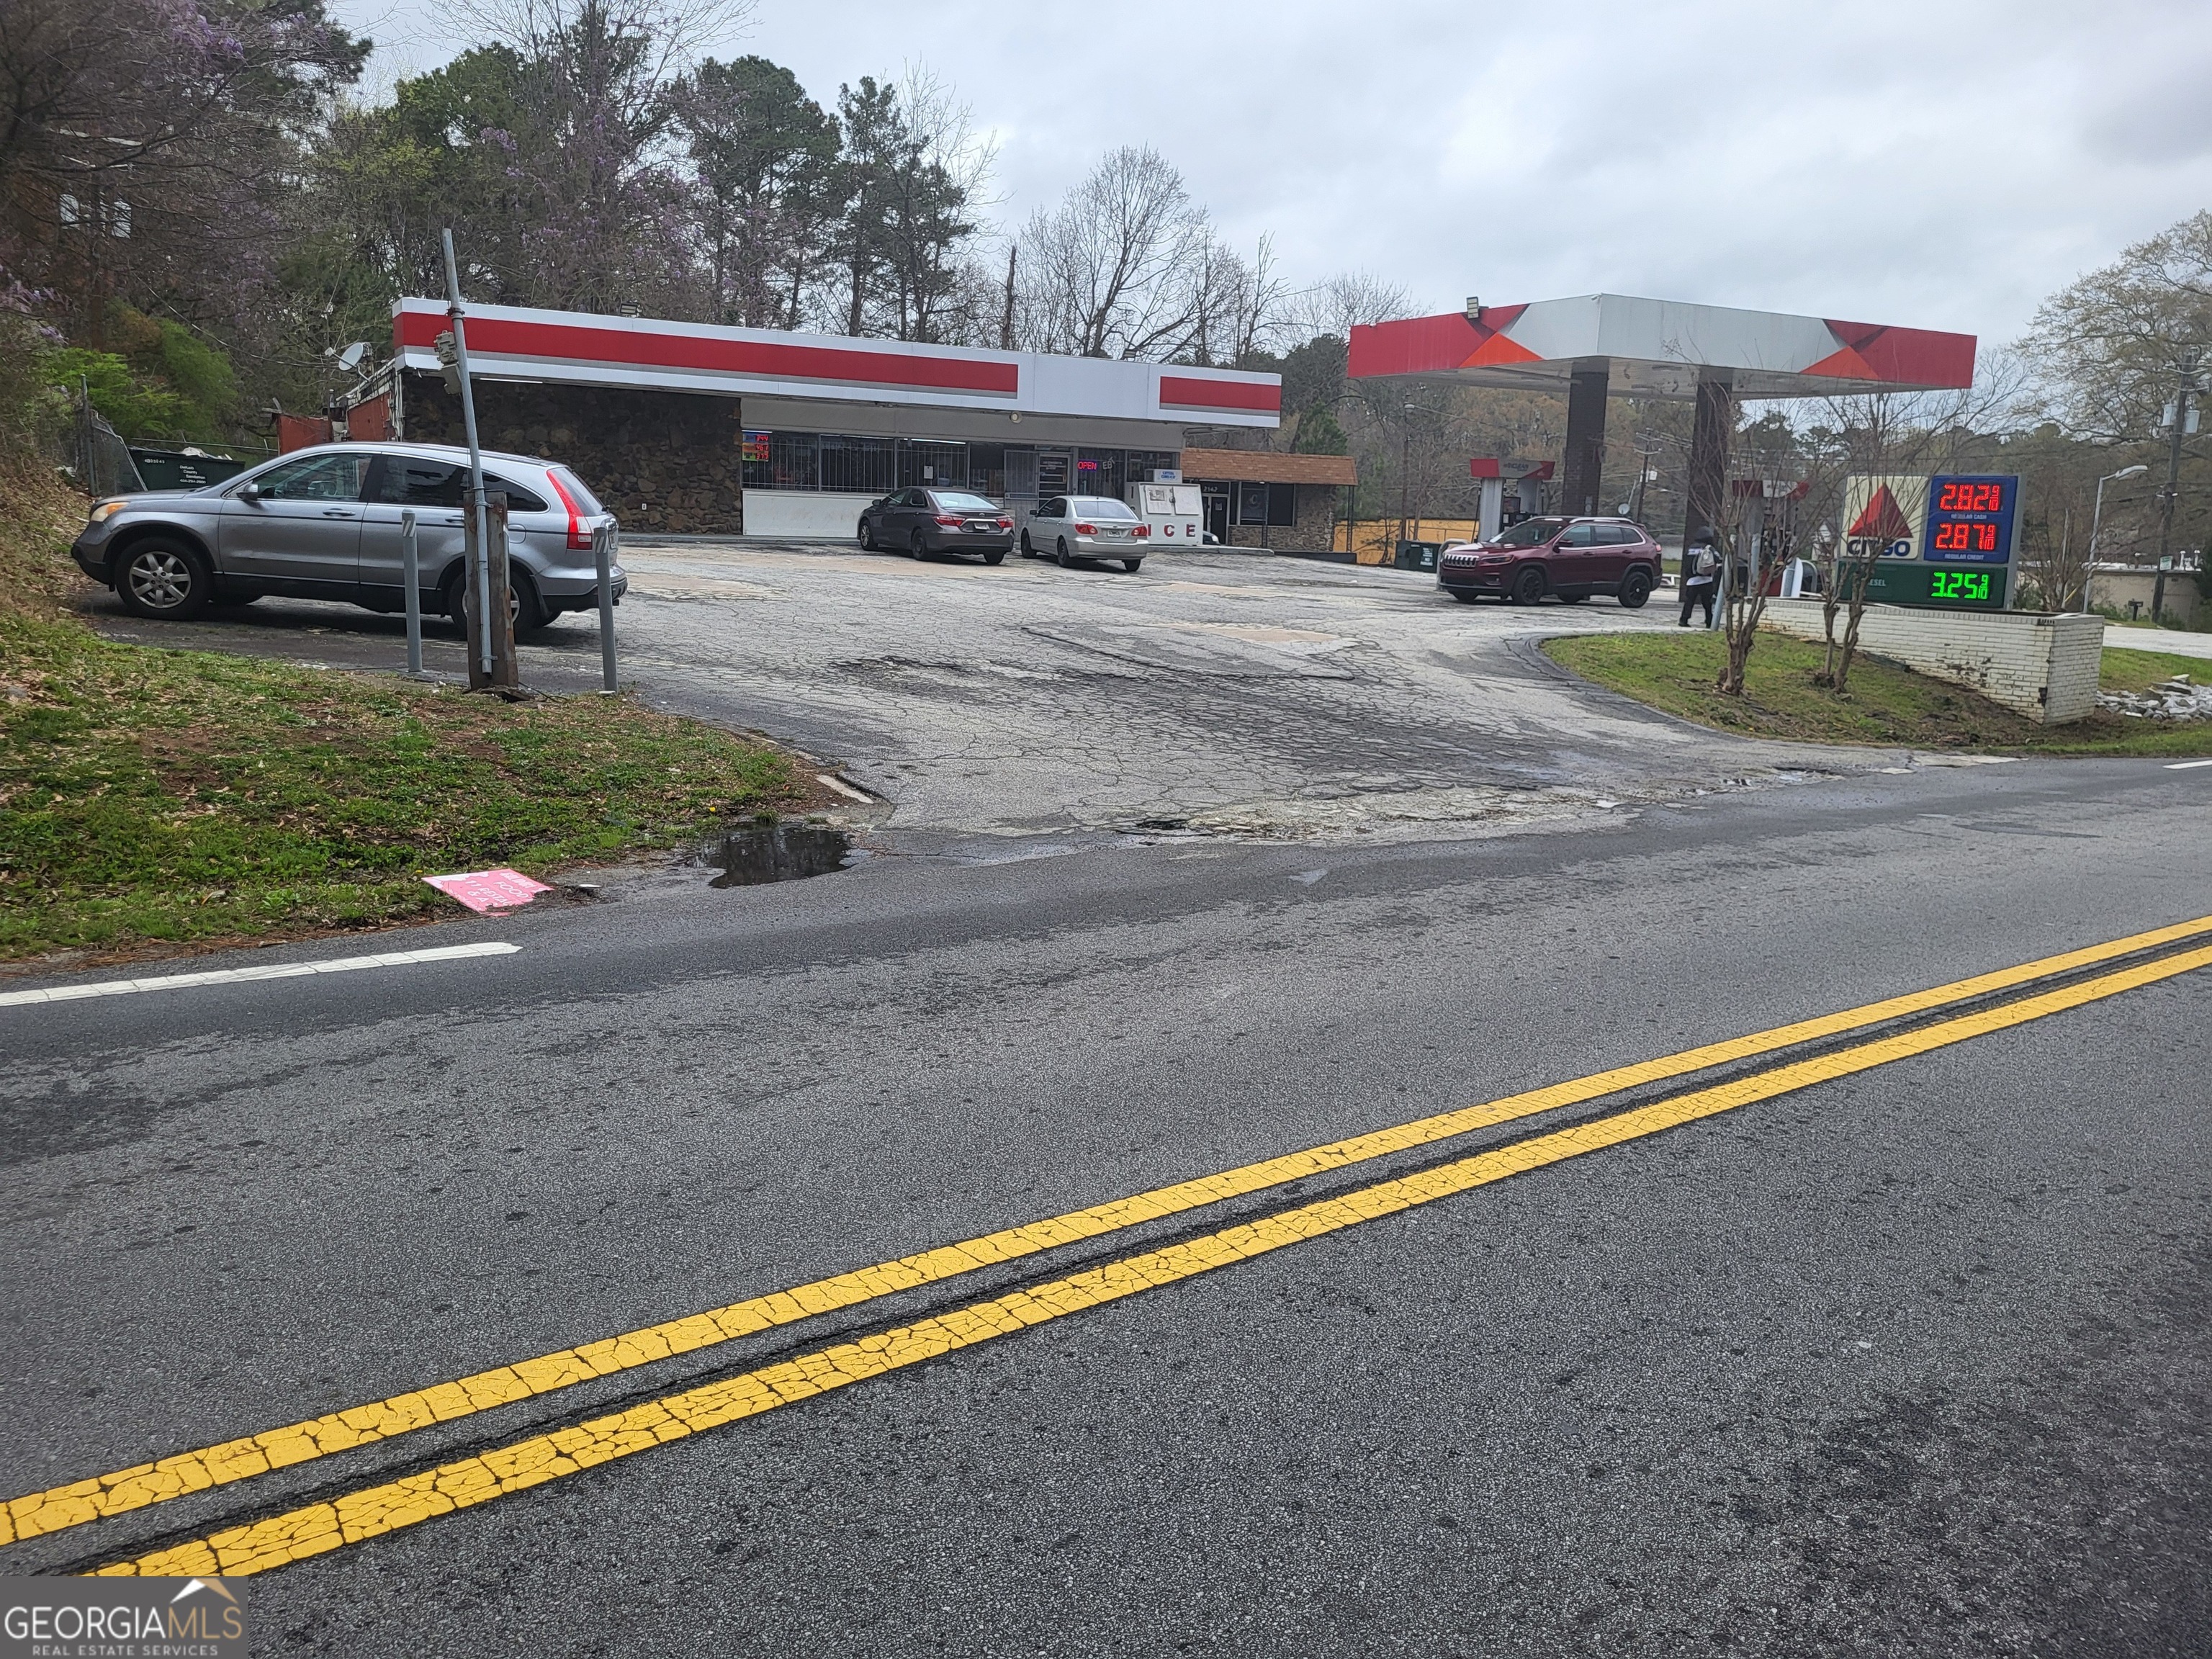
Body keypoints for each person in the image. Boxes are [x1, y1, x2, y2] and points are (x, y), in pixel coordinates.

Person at [1679, 529, 1719, 628]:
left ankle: (1683, 620)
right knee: (1707, 604)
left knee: (1689, 602)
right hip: (1706, 580)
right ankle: (1709, 622)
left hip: (1691, 581)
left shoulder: (1690, 548)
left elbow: (1685, 563)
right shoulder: (1709, 548)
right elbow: (1718, 558)